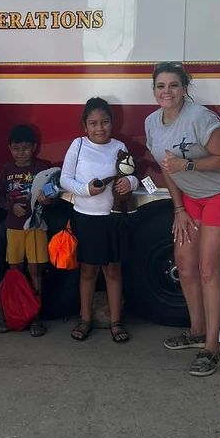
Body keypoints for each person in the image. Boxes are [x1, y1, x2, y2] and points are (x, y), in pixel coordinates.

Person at [144, 62, 220, 377]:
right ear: (154, 90)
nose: (167, 92)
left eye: (174, 85)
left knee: (208, 269)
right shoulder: (152, 122)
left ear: (184, 88)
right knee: (184, 265)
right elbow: (165, 167)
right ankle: (196, 331)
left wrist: (187, 165)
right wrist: (178, 208)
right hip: (190, 201)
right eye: (161, 86)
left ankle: (212, 349)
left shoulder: (201, 118)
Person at [60, 98, 138, 344]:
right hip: (85, 218)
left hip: (112, 219)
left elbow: (131, 175)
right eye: (93, 123)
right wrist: (85, 190)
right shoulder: (78, 145)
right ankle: (85, 319)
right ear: (85, 126)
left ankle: (116, 321)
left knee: (113, 270)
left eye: (104, 122)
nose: (99, 128)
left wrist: (130, 183)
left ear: (112, 124)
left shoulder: (119, 146)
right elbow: (65, 179)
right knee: (87, 271)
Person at [0, 124, 51, 337]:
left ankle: (35, 317)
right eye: (16, 149)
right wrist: (11, 206)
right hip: (13, 228)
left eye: (26, 148)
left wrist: (46, 200)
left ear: (34, 147)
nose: (21, 153)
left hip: (36, 227)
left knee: (35, 270)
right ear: (10, 148)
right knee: (14, 271)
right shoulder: (7, 169)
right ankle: (13, 314)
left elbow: (50, 194)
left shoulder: (41, 168)